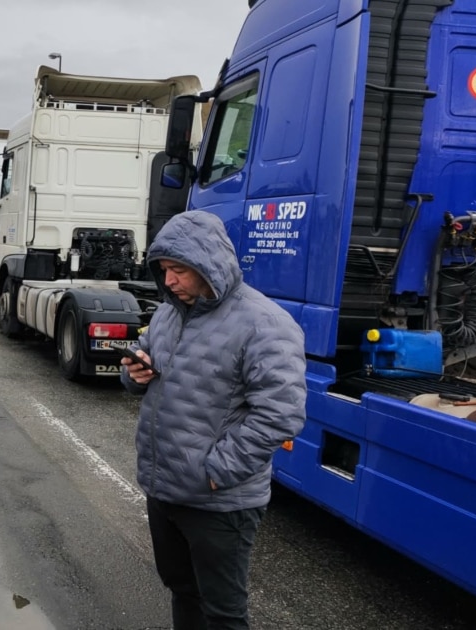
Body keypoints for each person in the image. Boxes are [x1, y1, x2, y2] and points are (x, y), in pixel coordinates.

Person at [121, 211, 307, 630]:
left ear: (209, 265)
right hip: (163, 490)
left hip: (219, 502)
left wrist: (216, 472)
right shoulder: (169, 314)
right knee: (182, 591)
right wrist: (133, 373)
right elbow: (140, 360)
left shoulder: (266, 324)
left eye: (179, 270)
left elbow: (281, 414)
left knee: (223, 613)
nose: (169, 282)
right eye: (164, 270)